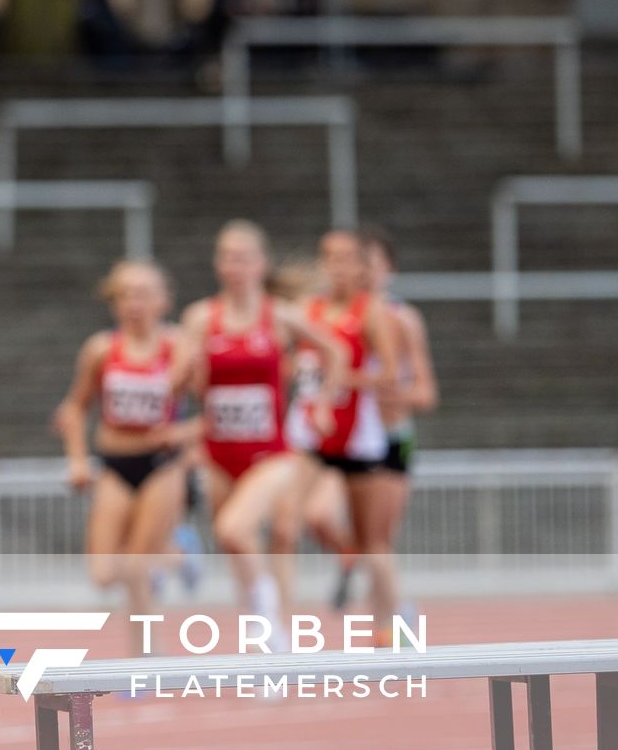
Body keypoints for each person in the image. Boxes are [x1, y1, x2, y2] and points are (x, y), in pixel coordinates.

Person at [172, 223, 344, 638]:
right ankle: (264, 639)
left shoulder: (280, 315)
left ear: (261, 264)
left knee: (247, 530)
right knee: (236, 547)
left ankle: (275, 622)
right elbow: (176, 387)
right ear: (218, 264)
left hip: (271, 453)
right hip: (219, 453)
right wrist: (188, 367)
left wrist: (324, 402)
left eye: (244, 257)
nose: (236, 266)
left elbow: (334, 351)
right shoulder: (199, 318)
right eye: (228, 256)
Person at [269, 230, 403, 639]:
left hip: (358, 437)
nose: (337, 267)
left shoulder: (372, 311)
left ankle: (391, 626)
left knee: (373, 544)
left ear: (363, 267)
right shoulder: (308, 308)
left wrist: (342, 375)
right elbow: (289, 360)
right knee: (285, 523)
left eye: (347, 259)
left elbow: (390, 374)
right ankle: (281, 627)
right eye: (329, 257)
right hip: (310, 433)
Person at [52, 261, 189, 637]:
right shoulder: (100, 349)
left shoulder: (179, 346)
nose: (134, 303)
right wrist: (77, 460)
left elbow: (212, 405)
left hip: (162, 465)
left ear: (163, 300)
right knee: (104, 574)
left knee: (134, 568)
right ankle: (176, 552)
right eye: (125, 294)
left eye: (143, 294)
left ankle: (145, 663)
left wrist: (185, 433)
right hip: (115, 462)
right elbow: (75, 408)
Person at [363, 226, 436, 628]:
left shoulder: (403, 319)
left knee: (378, 542)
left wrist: (385, 394)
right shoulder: (341, 319)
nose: (364, 274)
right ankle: (391, 615)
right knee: (343, 528)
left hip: (392, 439)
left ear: (389, 268)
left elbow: (425, 393)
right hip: (347, 444)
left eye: (372, 265)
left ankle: (390, 625)